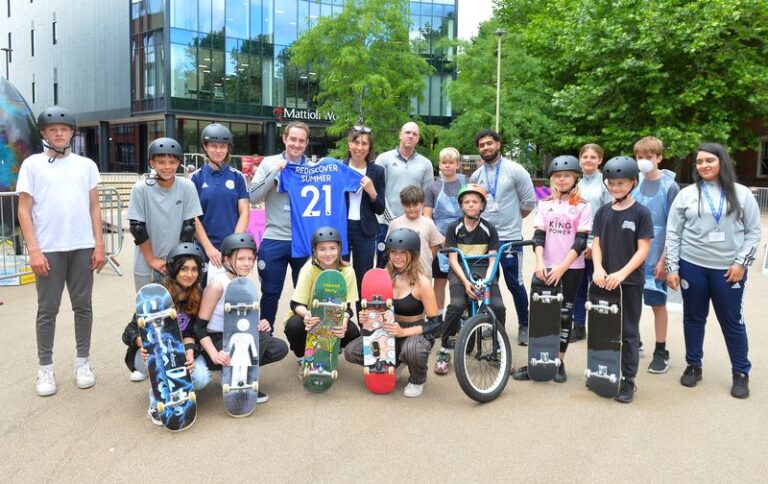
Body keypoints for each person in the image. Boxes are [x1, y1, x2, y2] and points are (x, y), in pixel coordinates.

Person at [17, 106, 106, 397]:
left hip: (81, 246)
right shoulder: (32, 165)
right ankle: (45, 367)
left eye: (64, 129)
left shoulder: (86, 165)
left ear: (71, 133)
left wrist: (99, 244)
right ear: (43, 132)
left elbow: (94, 207)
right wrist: (34, 250)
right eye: (53, 129)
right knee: (48, 310)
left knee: (83, 306)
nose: (59, 133)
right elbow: (24, 210)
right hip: (49, 248)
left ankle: (83, 362)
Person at [665, 143, 760, 399]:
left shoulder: (741, 194)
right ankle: (693, 365)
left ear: (722, 162)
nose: (704, 165)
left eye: (710, 160)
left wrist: (741, 263)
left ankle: (741, 372)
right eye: (699, 162)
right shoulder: (687, 195)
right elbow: (673, 232)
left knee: (732, 322)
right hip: (692, 266)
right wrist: (672, 268)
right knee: (694, 318)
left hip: (728, 271)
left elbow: (753, 233)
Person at [512, 156, 592, 383]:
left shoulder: (583, 206)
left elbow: (580, 242)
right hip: (545, 267)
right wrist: (539, 263)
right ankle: (536, 361)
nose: (562, 180)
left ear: (576, 177)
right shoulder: (545, 204)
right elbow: (538, 236)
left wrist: (561, 268)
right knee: (539, 315)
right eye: (558, 176)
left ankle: (558, 362)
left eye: (566, 176)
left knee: (564, 316)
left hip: (571, 268)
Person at [344, 228, 442, 397]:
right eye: (393, 252)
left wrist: (404, 331)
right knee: (351, 351)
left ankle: (417, 379)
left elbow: (437, 324)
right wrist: (366, 317)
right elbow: (376, 312)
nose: (397, 257)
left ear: (413, 254)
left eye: (403, 253)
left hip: (413, 331)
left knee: (412, 351)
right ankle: (394, 362)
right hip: (387, 331)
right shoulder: (383, 277)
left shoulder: (422, 283)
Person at [121, 242, 211, 425]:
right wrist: (141, 342)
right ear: (174, 269)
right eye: (184, 269)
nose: (189, 274)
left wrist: (190, 352)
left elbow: (192, 331)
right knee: (157, 362)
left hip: (179, 351)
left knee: (201, 378)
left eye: (194, 270)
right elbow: (129, 331)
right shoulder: (156, 294)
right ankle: (156, 397)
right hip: (152, 353)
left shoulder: (198, 294)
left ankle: (177, 387)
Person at [195, 233, 289, 403]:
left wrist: (261, 322)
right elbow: (199, 328)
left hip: (237, 337)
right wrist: (214, 354)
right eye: (241, 259)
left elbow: (246, 320)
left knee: (278, 347)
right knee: (252, 342)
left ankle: (236, 372)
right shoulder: (218, 285)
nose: (247, 264)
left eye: (250, 259)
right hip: (215, 342)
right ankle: (239, 379)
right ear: (226, 260)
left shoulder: (246, 283)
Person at [591, 156, 652, 403]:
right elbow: (596, 243)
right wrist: (597, 268)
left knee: (628, 332)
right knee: (602, 330)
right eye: (612, 184)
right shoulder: (603, 212)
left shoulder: (641, 213)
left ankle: (628, 380)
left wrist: (622, 274)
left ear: (633, 183)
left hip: (629, 282)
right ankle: (602, 373)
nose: (616, 188)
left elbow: (643, 249)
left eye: (621, 183)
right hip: (603, 281)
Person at [469, 129, 536, 345]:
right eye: (482, 145)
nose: (486, 148)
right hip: (484, 240)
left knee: (515, 283)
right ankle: (492, 323)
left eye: (490, 143)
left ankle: (524, 324)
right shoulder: (476, 176)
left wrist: (511, 221)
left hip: (510, 239)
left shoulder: (516, 170)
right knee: (487, 284)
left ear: (499, 144)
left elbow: (528, 203)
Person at [436, 184, 505, 376]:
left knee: (498, 307)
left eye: (475, 202)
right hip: (461, 270)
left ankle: (499, 348)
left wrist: (487, 280)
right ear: (461, 206)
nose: (471, 205)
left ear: (482, 205)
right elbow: (452, 260)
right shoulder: (454, 227)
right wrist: (467, 284)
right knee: (457, 305)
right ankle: (443, 350)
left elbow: (492, 259)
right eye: (467, 202)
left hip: (484, 269)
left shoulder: (489, 228)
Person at [249, 121, 311, 328]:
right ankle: (265, 340)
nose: (296, 144)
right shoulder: (270, 163)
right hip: (274, 238)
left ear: (307, 143)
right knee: (270, 292)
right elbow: (253, 196)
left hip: (302, 241)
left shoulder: (313, 169)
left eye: (301, 140)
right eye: (293, 139)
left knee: (304, 295)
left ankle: (305, 344)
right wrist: (275, 172)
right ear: (284, 138)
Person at [127, 137, 202, 291]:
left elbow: (189, 228)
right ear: (152, 163)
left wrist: (178, 259)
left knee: (179, 310)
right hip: (147, 259)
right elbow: (137, 228)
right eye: (161, 162)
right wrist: (152, 260)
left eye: (172, 162)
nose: (167, 167)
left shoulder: (187, 186)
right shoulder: (140, 188)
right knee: (148, 309)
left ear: (179, 163)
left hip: (178, 258)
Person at [283, 227, 361, 373]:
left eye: (332, 248)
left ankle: (332, 348)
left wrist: (343, 323)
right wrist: (306, 315)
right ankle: (303, 358)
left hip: (334, 317)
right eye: (322, 249)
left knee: (352, 332)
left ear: (339, 249)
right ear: (315, 251)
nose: (328, 253)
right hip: (311, 317)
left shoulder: (347, 271)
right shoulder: (308, 269)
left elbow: (348, 308)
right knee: (294, 325)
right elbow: (295, 303)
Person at [632, 136, 680, 373]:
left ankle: (661, 350)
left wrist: (664, 260)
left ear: (659, 158)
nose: (643, 161)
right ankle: (634, 341)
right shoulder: (632, 182)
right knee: (631, 302)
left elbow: (673, 226)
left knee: (657, 303)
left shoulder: (670, 187)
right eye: (640, 157)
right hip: (632, 254)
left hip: (657, 253)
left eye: (648, 157)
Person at [190, 123, 250, 284]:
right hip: (204, 247)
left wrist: (233, 244)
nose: (218, 150)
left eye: (222, 146)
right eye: (213, 146)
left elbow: (244, 212)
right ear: (205, 147)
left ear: (228, 148)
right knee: (202, 296)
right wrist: (209, 248)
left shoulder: (237, 177)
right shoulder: (196, 178)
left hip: (230, 247)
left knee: (230, 296)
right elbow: (193, 216)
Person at [374, 121, 435, 268]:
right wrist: (392, 220)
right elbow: (378, 192)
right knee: (385, 266)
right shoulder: (384, 159)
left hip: (414, 223)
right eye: (407, 132)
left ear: (418, 139)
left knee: (412, 266)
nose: (410, 136)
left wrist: (424, 221)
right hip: (386, 224)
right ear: (400, 135)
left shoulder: (426, 164)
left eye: (414, 134)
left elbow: (427, 196)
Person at [571, 143, 612, 341]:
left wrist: (595, 245)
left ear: (600, 160)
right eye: (585, 156)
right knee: (578, 287)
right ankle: (578, 325)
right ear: (580, 160)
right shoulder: (574, 184)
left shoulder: (606, 183)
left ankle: (601, 327)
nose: (588, 160)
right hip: (577, 243)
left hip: (597, 243)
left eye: (593, 157)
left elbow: (609, 216)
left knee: (598, 287)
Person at [343, 125, 386, 293]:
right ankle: (343, 317)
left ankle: (363, 318)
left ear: (369, 148)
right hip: (341, 229)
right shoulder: (339, 168)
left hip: (365, 231)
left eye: (364, 144)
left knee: (364, 278)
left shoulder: (377, 171)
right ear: (349, 144)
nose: (359, 148)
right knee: (341, 277)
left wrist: (372, 192)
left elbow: (380, 208)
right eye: (355, 142)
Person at [424, 147, 465, 310]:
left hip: (463, 238)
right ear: (439, 165)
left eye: (451, 162)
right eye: (444, 162)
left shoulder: (465, 183)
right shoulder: (432, 187)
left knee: (461, 280)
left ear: (458, 164)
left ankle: (462, 317)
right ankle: (438, 317)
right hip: (439, 239)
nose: (447, 165)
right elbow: (427, 216)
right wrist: (439, 238)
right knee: (439, 281)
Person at [387, 185, 444, 277]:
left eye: (415, 205)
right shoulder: (395, 224)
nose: (411, 209)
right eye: (407, 205)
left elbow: (434, 246)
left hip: (423, 270)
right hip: (400, 272)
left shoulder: (429, 223)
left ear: (422, 204)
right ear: (402, 204)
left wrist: (428, 258)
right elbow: (390, 247)